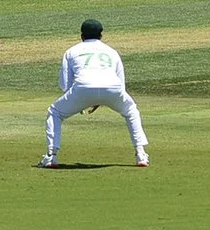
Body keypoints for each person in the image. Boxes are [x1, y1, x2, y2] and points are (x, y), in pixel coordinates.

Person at [40, 19, 148, 169]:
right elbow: (121, 84)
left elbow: (65, 84)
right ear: (101, 35)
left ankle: (51, 157)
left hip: (82, 88)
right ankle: (141, 154)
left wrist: (80, 101)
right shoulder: (112, 51)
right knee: (131, 111)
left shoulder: (71, 51)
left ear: (82, 36)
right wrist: (102, 98)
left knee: (55, 112)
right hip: (113, 88)